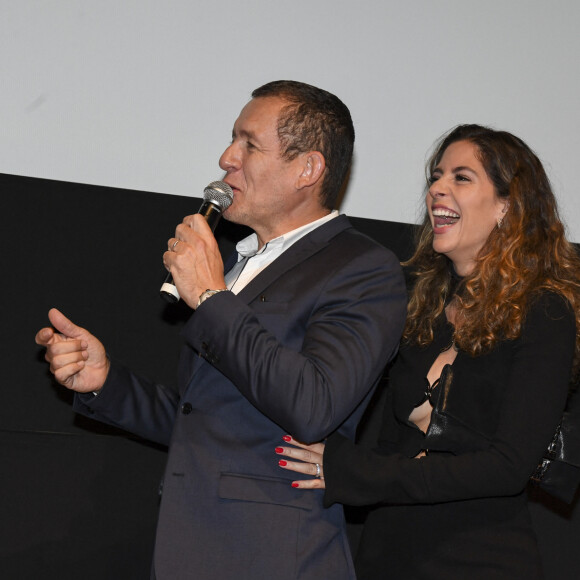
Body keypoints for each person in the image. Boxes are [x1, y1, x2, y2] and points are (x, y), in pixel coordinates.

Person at [35, 80, 407, 580]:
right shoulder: (239, 264)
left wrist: (211, 298)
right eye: (233, 139)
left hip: (272, 554)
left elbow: (314, 405)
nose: (226, 157)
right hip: (190, 546)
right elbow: (208, 421)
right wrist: (105, 382)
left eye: (249, 144)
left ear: (308, 169)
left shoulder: (362, 267)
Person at [277, 124, 580, 579]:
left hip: (482, 558)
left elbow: (508, 467)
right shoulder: (422, 308)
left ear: (506, 206)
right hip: (389, 554)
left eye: (461, 177)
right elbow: (391, 444)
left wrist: (356, 471)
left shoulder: (544, 312)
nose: (437, 188)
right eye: (436, 176)